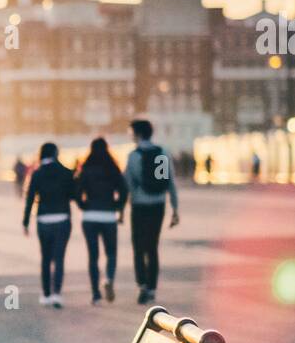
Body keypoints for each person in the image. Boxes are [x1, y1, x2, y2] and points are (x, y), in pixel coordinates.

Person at [125, 119, 179, 305]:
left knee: (138, 247)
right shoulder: (162, 153)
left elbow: (129, 185)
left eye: (131, 132)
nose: (130, 135)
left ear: (138, 134)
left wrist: (123, 208)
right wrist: (175, 208)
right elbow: (168, 182)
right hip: (158, 205)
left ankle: (141, 285)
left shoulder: (133, 156)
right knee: (152, 246)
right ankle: (152, 288)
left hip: (139, 206)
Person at [74, 137, 128, 305]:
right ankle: (109, 279)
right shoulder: (112, 168)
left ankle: (96, 294)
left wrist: (83, 204)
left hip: (90, 216)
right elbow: (124, 190)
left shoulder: (86, 168)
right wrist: (117, 206)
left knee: (93, 256)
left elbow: (77, 190)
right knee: (111, 253)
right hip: (108, 215)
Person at [23, 142, 74, 307]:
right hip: (62, 218)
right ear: (56, 154)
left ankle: (45, 294)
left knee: (45, 258)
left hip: (43, 220)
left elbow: (30, 198)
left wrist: (25, 221)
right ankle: (57, 294)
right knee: (59, 258)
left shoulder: (37, 173)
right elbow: (73, 193)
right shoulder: (65, 172)